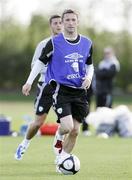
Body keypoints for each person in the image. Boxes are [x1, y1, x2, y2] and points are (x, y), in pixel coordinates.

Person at [21, 9, 94, 172]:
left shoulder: (87, 43)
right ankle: (59, 135)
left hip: (80, 92)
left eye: (73, 20)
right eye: (66, 20)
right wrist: (29, 82)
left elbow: (90, 64)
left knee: (75, 131)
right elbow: (40, 63)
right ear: (62, 22)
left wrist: (89, 77)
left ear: (78, 22)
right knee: (67, 127)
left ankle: (62, 160)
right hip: (61, 90)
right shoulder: (54, 42)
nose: (69, 23)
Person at [14, 15, 62, 160]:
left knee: (66, 121)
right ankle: (24, 143)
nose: (59, 25)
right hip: (45, 86)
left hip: (63, 87)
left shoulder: (68, 44)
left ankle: (59, 150)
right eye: (55, 23)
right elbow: (35, 64)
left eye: (60, 23)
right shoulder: (44, 44)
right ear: (50, 26)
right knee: (38, 123)